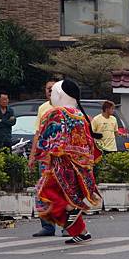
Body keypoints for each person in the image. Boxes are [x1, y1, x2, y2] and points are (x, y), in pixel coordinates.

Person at [33, 79, 101, 244]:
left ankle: (73, 211)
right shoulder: (81, 115)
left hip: (60, 163)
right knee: (67, 196)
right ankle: (82, 232)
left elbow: (46, 138)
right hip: (80, 164)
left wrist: (37, 155)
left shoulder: (56, 113)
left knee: (48, 193)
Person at [29, 80, 61, 237]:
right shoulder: (42, 108)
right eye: (48, 88)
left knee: (65, 191)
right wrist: (32, 155)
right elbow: (37, 133)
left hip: (63, 157)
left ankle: (70, 226)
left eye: (53, 88)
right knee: (44, 191)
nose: (50, 90)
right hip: (45, 158)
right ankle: (47, 226)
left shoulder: (67, 107)